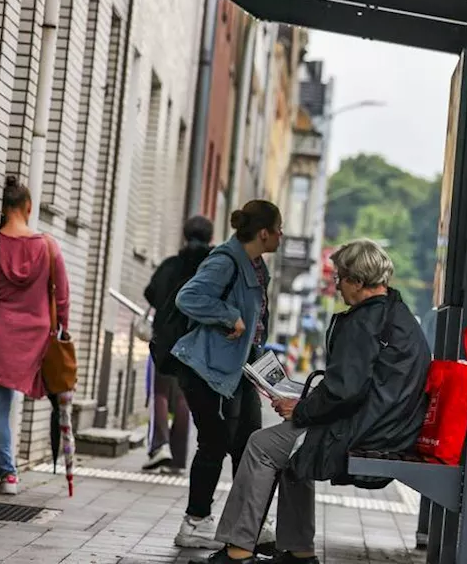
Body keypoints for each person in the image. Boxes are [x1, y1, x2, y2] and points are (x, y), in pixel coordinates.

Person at [200, 239, 430, 564]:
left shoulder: (364, 323)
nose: (337, 287)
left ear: (358, 281)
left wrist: (302, 408)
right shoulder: (397, 314)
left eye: (340, 278)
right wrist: (305, 404)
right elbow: (357, 387)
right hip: (387, 425)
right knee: (292, 448)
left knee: (263, 445)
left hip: (366, 432)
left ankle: (237, 551)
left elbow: (346, 391)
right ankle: (298, 552)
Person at [170, 201, 282, 550]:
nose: (282, 236)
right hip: (207, 369)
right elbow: (187, 297)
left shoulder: (256, 266)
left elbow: (256, 328)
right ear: (263, 233)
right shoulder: (226, 260)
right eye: (279, 229)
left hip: (240, 371)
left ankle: (246, 524)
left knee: (251, 446)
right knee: (215, 444)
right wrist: (228, 314)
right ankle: (195, 522)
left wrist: (267, 369)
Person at [0, 177, 70, 496]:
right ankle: (7, 465)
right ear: (28, 207)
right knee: (11, 402)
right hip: (36, 336)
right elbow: (62, 294)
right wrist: (63, 326)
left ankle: (7, 475)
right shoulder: (46, 245)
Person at [141, 216, 216, 473]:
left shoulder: (171, 265)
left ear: (184, 235)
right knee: (186, 394)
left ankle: (160, 446)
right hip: (195, 340)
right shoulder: (211, 269)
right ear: (210, 238)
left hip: (164, 336)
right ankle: (178, 459)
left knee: (161, 391)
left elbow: (150, 293)